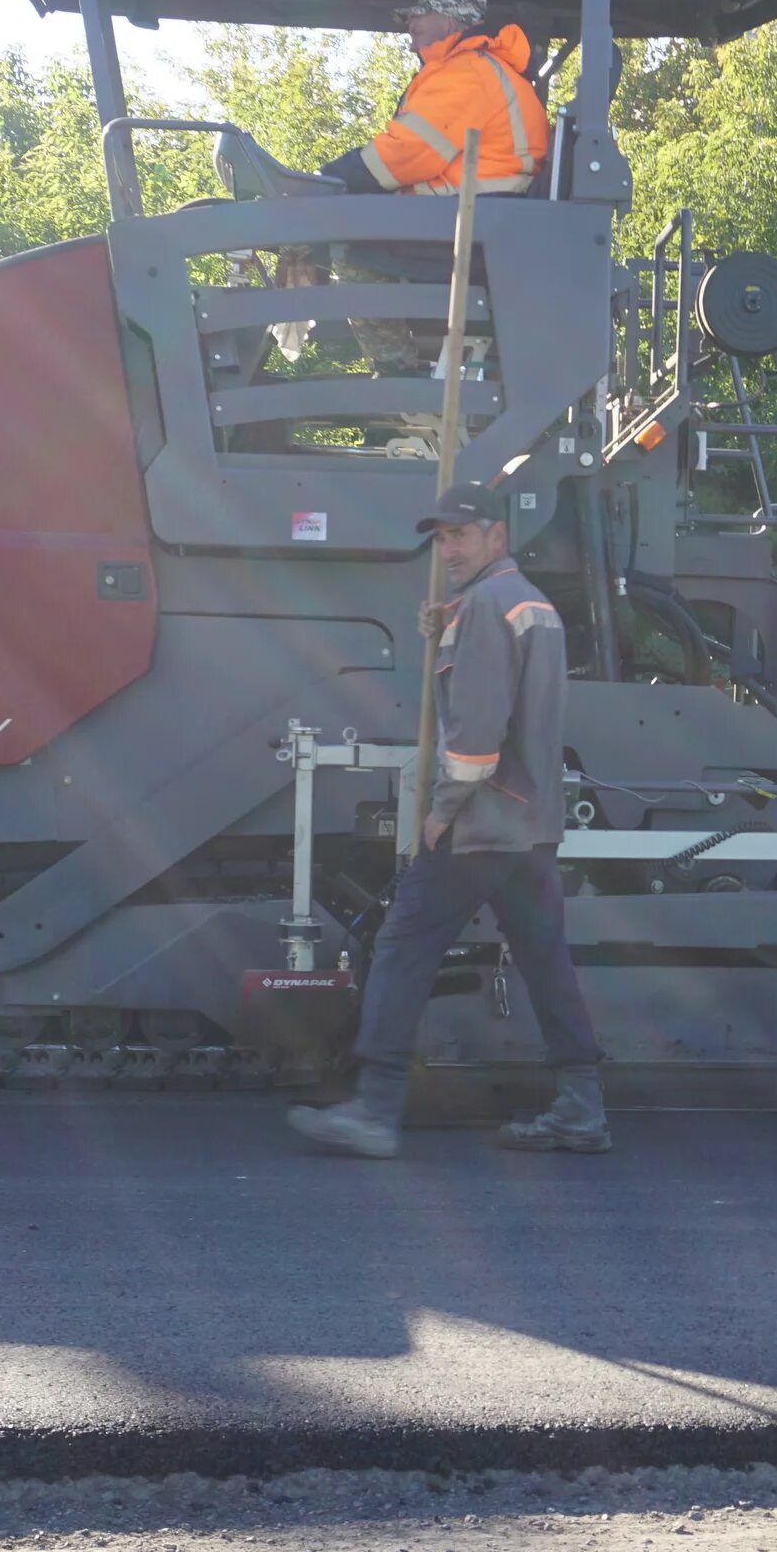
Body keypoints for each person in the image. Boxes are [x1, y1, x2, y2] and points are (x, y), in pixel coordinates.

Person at [288, 481, 609, 1158]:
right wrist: (446, 632)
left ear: (498, 534)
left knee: (404, 947)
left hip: (480, 824)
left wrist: (439, 814)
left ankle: (373, 1112)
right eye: (441, 537)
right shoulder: (532, 606)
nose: (450, 547)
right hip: (532, 824)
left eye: (461, 534)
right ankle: (582, 1108)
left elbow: (475, 735)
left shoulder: (488, 608)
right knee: (546, 962)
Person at [318, 0, 550, 198]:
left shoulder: (466, 72)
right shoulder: (485, 68)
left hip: (465, 217)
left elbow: (409, 151)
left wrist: (332, 178)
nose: (411, 25)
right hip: (480, 213)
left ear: (449, 22)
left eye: (421, 15)